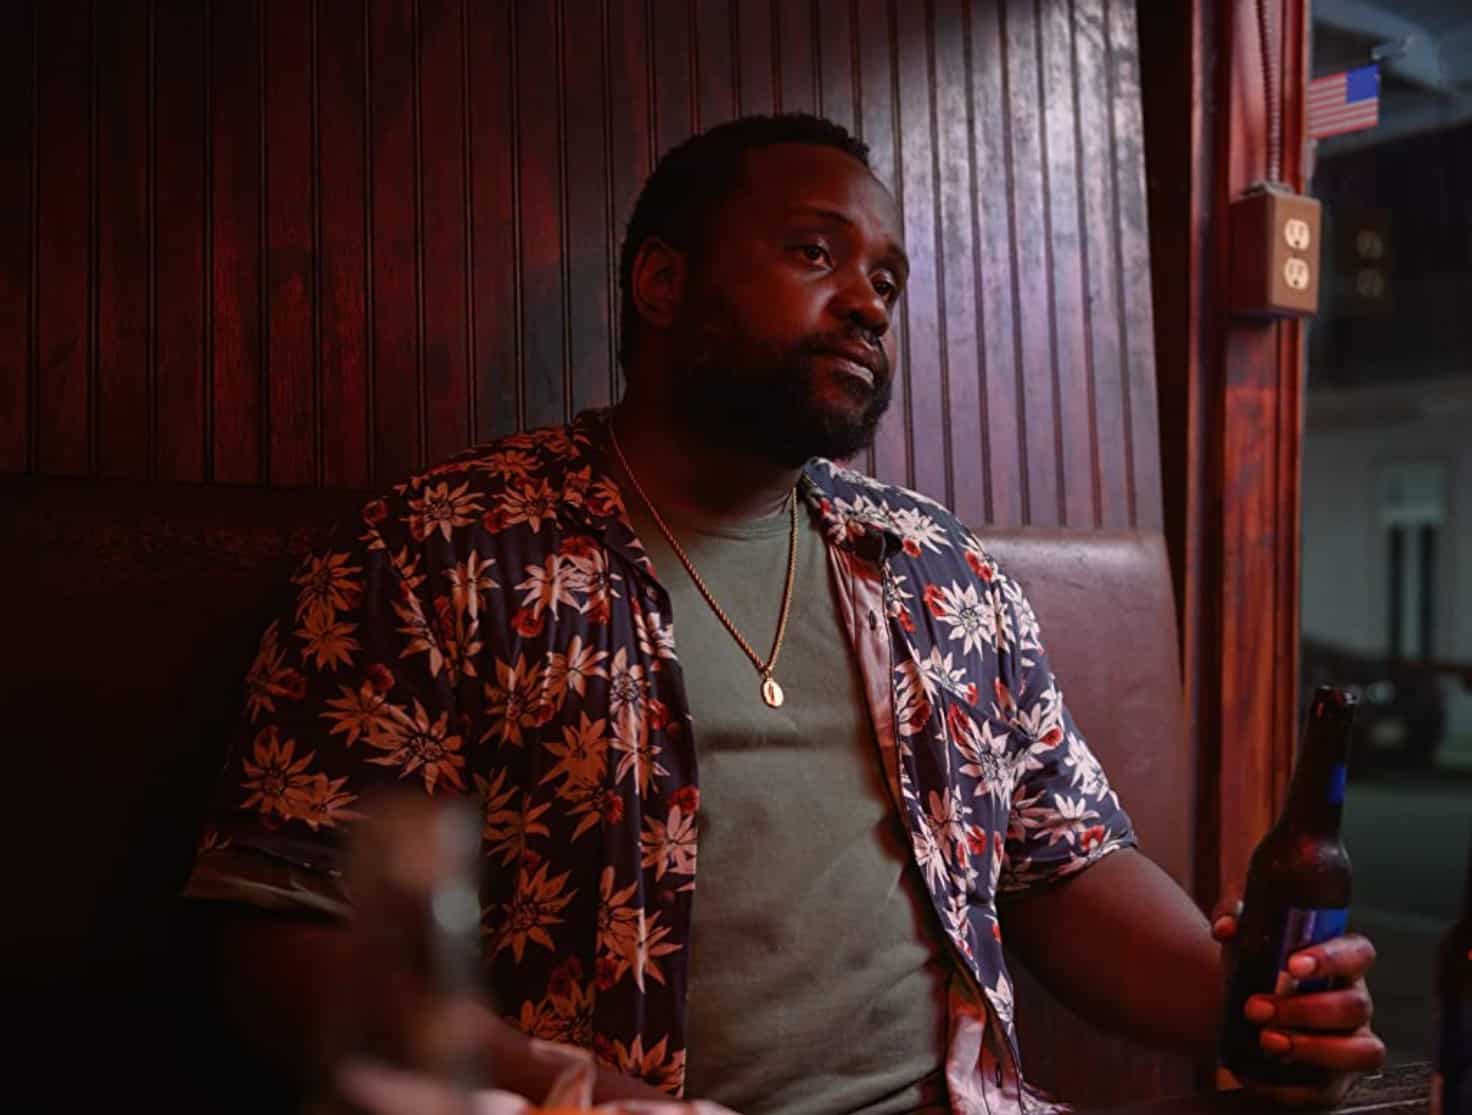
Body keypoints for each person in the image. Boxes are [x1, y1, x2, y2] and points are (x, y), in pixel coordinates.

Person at [187, 113, 1383, 1114]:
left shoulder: (938, 569)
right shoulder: (443, 551)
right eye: (815, 254)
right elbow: (286, 935)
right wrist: (564, 1089)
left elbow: (1062, 865)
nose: (866, 302)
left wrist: (1254, 999)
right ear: (663, 282)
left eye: (885, 278)